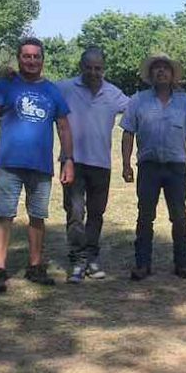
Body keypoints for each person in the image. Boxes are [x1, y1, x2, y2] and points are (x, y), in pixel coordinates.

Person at [0, 37, 74, 292]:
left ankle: (35, 266)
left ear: (42, 59)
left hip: (41, 166)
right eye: (26, 56)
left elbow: (64, 127)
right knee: (4, 215)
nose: (31, 61)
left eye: (36, 56)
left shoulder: (52, 90)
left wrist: (68, 160)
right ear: (19, 58)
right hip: (8, 164)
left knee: (38, 216)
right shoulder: (5, 85)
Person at [120, 54, 186, 280]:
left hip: (176, 168)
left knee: (179, 216)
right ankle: (142, 265)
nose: (161, 71)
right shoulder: (138, 100)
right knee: (145, 216)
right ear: (150, 75)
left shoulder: (185, 102)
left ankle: (182, 263)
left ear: (173, 74)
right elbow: (128, 133)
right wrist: (126, 164)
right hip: (148, 167)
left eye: (166, 68)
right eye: (157, 68)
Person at [56, 47, 129, 283]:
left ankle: (92, 257)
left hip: (101, 164)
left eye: (98, 68)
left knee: (97, 214)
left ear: (104, 69)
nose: (93, 72)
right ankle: (78, 260)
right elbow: (39, 89)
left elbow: (139, 109)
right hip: (72, 162)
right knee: (75, 213)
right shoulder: (65, 88)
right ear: (81, 67)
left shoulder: (113, 93)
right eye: (89, 67)